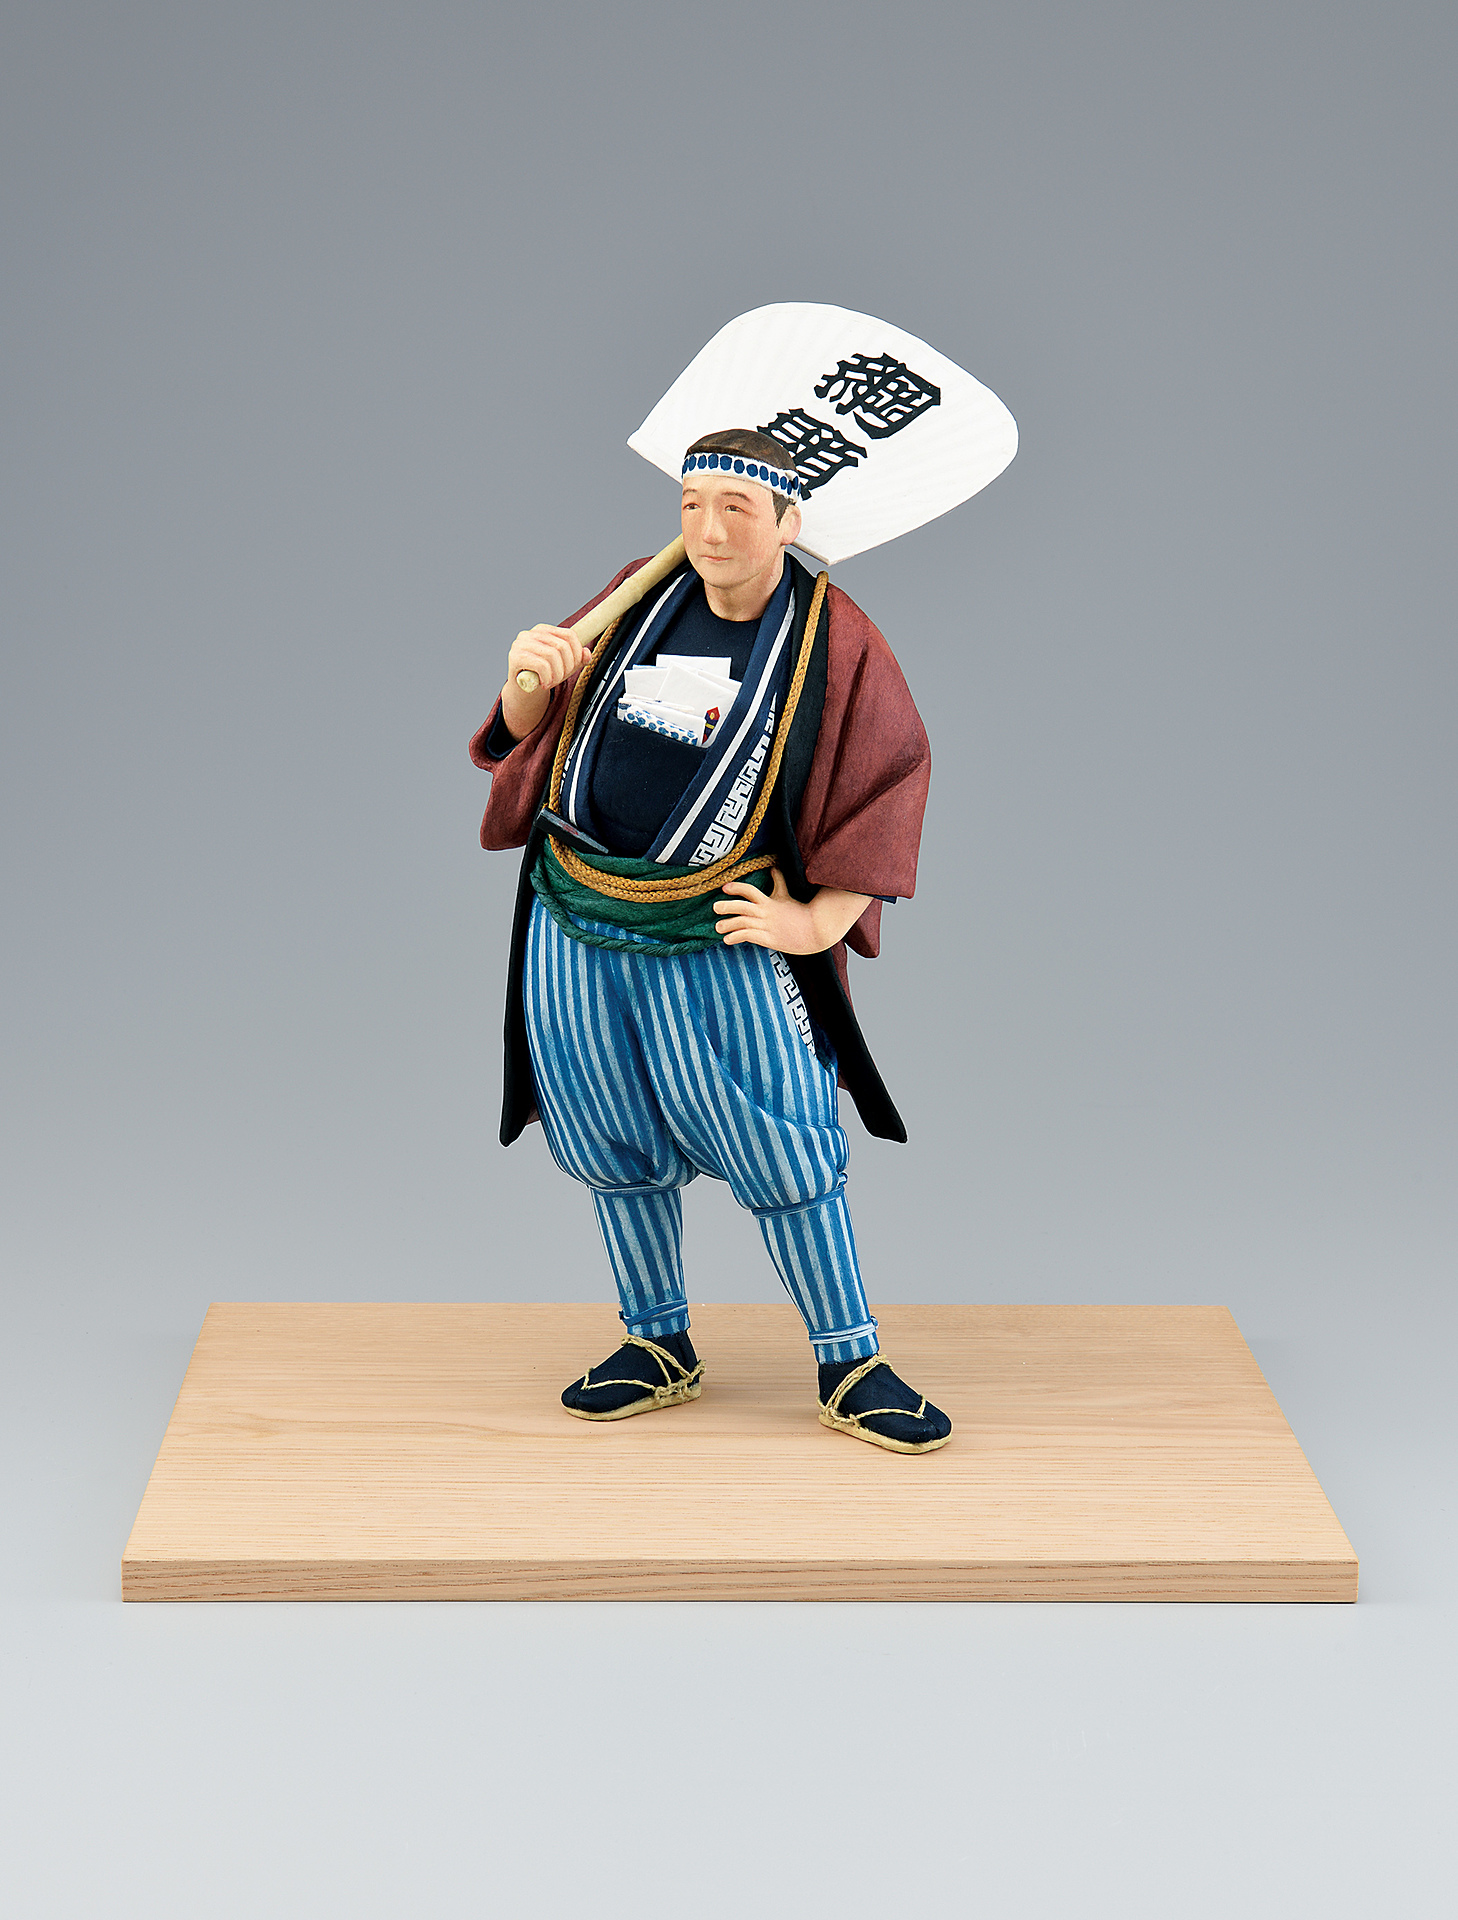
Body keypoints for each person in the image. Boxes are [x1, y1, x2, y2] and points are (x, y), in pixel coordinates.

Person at [469, 428, 952, 1453]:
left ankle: (850, 1357)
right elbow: (524, 726)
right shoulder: (635, 595)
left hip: (720, 930)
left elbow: (889, 777)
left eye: (737, 506)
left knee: (783, 1138)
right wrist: (526, 680)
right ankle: (657, 1340)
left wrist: (814, 921)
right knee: (607, 1134)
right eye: (692, 505)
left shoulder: (833, 637)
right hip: (576, 911)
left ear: (789, 521)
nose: (709, 529)